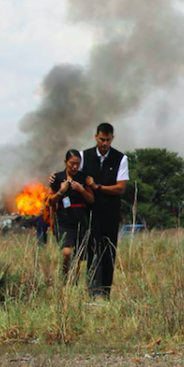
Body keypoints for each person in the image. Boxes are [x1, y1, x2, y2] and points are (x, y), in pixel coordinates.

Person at [80, 123, 130, 299]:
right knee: (91, 250)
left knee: (108, 251)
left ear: (112, 139)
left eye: (108, 140)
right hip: (89, 213)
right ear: (96, 137)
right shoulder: (84, 156)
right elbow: (73, 177)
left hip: (110, 212)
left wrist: (97, 187)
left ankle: (105, 292)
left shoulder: (121, 159)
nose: (104, 143)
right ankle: (92, 292)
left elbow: (120, 188)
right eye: (102, 139)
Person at [49, 150, 95, 275]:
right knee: (66, 252)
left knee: (77, 256)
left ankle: (72, 281)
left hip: (80, 221)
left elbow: (91, 199)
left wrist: (81, 190)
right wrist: (61, 191)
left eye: (77, 164)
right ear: (65, 162)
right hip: (63, 220)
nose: (75, 167)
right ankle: (65, 276)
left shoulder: (83, 178)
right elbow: (51, 201)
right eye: (72, 163)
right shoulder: (57, 178)